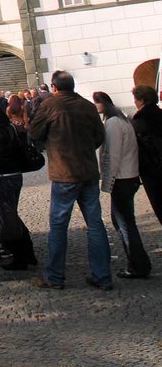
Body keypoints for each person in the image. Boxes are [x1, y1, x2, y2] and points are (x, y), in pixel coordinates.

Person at [29, 70, 111, 290]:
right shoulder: (87, 106)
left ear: (54, 87)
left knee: (58, 225)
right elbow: (99, 136)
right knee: (95, 225)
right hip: (88, 172)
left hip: (64, 172)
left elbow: (34, 132)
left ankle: (55, 276)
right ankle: (102, 276)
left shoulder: (50, 105)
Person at [94, 91, 151, 279]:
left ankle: (138, 264)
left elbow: (112, 155)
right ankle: (138, 262)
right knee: (124, 221)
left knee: (125, 223)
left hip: (122, 178)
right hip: (129, 176)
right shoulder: (121, 120)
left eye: (96, 103)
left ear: (102, 104)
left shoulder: (113, 124)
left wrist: (107, 182)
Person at [0, 100, 38, 270]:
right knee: (10, 214)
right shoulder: (9, 128)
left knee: (6, 217)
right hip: (15, 175)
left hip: (3, 177)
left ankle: (22, 254)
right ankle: (27, 253)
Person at [130, 84, 162, 226]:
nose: (134, 102)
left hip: (152, 171)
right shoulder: (160, 114)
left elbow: (141, 149)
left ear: (141, 100)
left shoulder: (139, 121)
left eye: (135, 99)